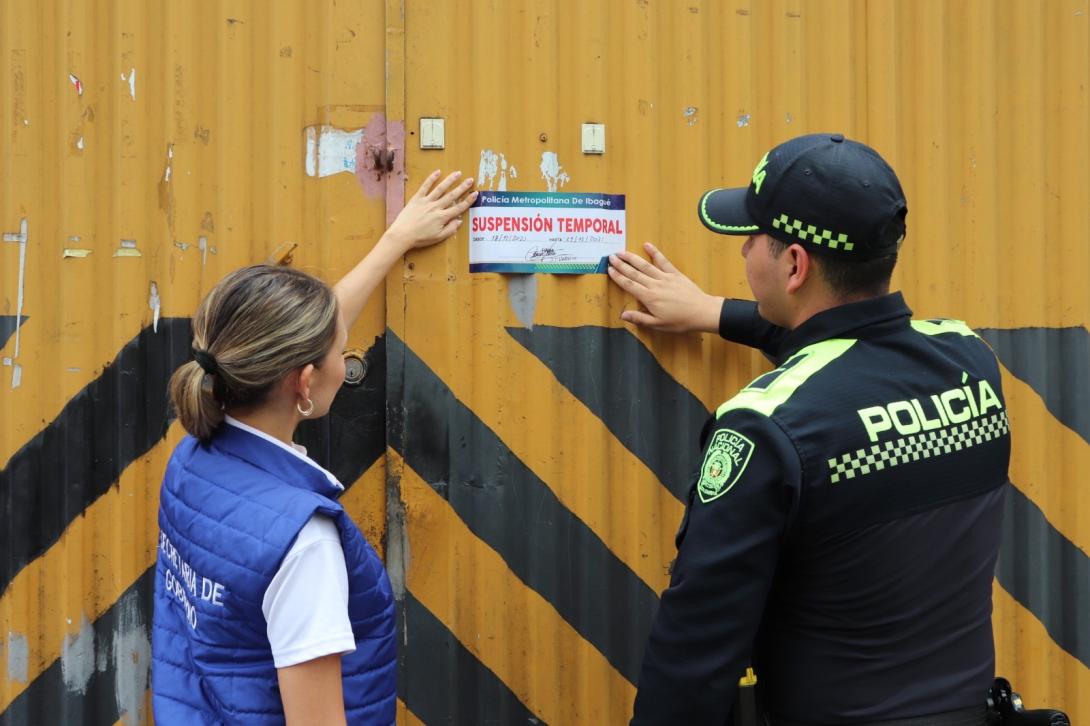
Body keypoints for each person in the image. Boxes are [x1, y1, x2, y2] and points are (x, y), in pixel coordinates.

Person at [608, 134, 1010, 725]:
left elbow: (693, 660)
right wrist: (715, 312)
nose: (744, 251)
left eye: (754, 238)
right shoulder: (970, 361)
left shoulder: (763, 430)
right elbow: (854, 349)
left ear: (795, 264)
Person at [151, 170, 477, 725]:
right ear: (303, 384)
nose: (345, 359)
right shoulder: (303, 544)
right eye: (341, 354)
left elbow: (306, 335)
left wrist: (394, 240)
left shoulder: (193, 460)